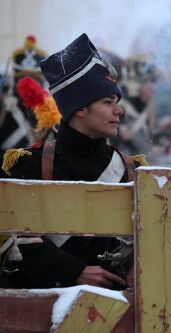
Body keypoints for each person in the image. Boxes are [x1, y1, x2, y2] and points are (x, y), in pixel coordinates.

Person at [1, 33, 147, 289]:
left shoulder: (133, 171)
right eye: (107, 102)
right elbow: (12, 239)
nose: (119, 110)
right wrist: (74, 271)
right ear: (80, 108)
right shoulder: (30, 166)